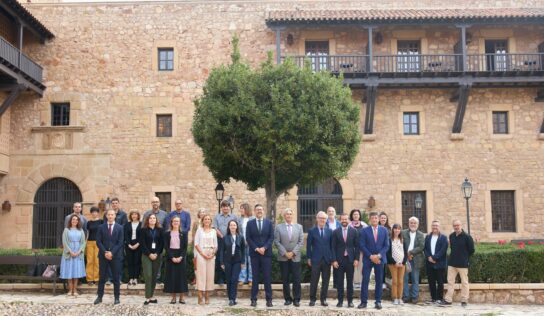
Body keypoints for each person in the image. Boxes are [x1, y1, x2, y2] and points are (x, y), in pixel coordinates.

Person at [358, 211, 389, 310]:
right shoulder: (364, 231)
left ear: (378, 219)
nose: (374, 220)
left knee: (379, 281)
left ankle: (378, 302)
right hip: (368, 259)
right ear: (370, 219)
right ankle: (363, 302)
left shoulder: (384, 230)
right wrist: (371, 256)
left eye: (376, 218)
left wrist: (378, 256)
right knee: (365, 280)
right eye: (373, 218)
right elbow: (362, 245)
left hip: (380, 259)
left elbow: (386, 245)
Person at [245, 204, 274, 307]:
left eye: (261, 209)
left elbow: (271, 237)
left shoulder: (269, 223)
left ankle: (269, 300)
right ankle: (253, 299)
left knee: (267, 277)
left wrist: (264, 248)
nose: (259, 211)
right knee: (255, 277)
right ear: (254, 211)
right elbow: (248, 238)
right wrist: (257, 248)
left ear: (263, 210)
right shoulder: (250, 223)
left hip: (266, 254)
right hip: (255, 254)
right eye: (257, 210)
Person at [274, 208, 303, 307]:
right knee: (285, 279)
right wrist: (285, 253)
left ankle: (296, 299)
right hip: (283, 257)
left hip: (295, 257)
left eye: (290, 214)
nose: (289, 216)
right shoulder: (278, 227)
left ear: (292, 215)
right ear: (284, 216)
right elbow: (277, 241)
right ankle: (287, 299)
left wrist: (293, 252)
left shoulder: (299, 227)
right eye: (287, 214)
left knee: (296, 279)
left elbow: (301, 242)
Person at [94, 209, 124, 305]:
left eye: (112, 214)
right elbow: (98, 241)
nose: (110, 216)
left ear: (115, 216)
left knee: (116, 278)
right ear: (106, 216)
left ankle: (117, 297)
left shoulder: (120, 228)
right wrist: (105, 252)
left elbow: (120, 242)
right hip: (103, 256)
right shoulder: (101, 227)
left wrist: (112, 253)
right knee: (102, 277)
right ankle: (99, 297)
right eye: (109, 214)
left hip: (115, 256)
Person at [443, 219, 475, 307]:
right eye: (454, 225)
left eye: (458, 225)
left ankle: (464, 300)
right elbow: (452, 248)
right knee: (450, 282)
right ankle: (448, 299)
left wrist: (465, 257)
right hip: (452, 263)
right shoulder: (451, 236)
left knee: (464, 282)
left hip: (463, 263)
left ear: (461, 225)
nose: (456, 227)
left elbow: (472, 250)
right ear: (453, 226)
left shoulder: (467, 237)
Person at [332, 213, 359, 308]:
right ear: (340, 220)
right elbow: (333, 247)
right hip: (339, 261)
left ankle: (350, 301)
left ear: (348, 220)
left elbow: (357, 246)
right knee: (339, 282)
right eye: (342, 219)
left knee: (350, 282)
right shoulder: (335, 232)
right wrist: (334, 260)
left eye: (346, 219)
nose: (344, 221)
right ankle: (340, 301)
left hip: (350, 260)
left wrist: (356, 259)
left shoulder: (354, 231)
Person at [307, 211, 333, 307]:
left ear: (326, 220)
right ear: (317, 219)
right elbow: (308, 246)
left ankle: (323, 299)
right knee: (314, 280)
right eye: (320, 218)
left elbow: (332, 246)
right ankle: (312, 299)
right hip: (315, 259)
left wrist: (332, 258)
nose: (322, 220)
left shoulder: (329, 231)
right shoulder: (312, 231)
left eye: (324, 218)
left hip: (327, 259)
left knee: (326, 281)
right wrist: (309, 258)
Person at [140, 213, 164, 305]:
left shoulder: (160, 230)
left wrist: (157, 253)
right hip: (146, 255)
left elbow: (162, 243)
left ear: (156, 220)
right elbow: (142, 244)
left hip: (157, 255)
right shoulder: (143, 230)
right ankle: (147, 297)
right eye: (150, 218)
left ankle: (152, 296)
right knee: (148, 275)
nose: (152, 219)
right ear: (148, 220)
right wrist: (149, 254)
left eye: (154, 218)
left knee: (154, 276)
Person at [163, 216, 189, 304]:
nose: (176, 223)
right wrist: (172, 257)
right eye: (174, 221)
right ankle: (173, 297)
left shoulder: (184, 233)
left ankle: (182, 297)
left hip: (181, 255)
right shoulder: (167, 233)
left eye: (177, 221)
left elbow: (185, 247)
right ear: (171, 222)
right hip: (171, 256)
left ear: (180, 222)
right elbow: (166, 247)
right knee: (172, 277)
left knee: (181, 277)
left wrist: (181, 257)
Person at [219, 220, 245, 306]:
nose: (233, 226)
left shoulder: (240, 237)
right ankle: (230, 298)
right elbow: (222, 251)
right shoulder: (225, 237)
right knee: (229, 280)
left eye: (234, 225)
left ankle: (233, 299)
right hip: (227, 261)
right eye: (231, 225)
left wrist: (243, 262)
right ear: (229, 227)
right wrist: (222, 262)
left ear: (236, 227)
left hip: (237, 261)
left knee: (234, 279)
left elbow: (243, 250)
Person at [61, 214, 86, 297]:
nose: (74, 221)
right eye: (73, 219)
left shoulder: (81, 230)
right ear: (70, 221)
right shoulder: (66, 230)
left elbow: (83, 242)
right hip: (69, 253)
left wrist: (79, 251)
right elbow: (64, 242)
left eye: (76, 220)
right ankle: (70, 289)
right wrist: (70, 251)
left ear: (78, 221)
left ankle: (75, 289)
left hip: (78, 253)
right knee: (69, 271)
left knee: (76, 271)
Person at [194, 213, 218, 305]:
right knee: (201, 275)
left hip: (211, 254)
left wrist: (212, 253)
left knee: (209, 276)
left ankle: (207, 296)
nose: (207, 220)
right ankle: (200, 296)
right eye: (205, 219)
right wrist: (202, 254)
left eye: (209, 219)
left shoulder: (213, 231)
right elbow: (196, 243)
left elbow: (216, 245)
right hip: (201, 253)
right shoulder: (199, 231)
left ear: (211, 221)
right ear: (203, 221)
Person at [423, 220, 448, 305]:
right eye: (433, 225)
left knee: (440, 282)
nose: (435, 227)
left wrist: (434, 258)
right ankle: (433, 298)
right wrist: (429, 257)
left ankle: (439, 298)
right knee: (431, 281)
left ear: (439, 227)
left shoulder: (444, 238)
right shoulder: (427, 237)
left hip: (440, 263)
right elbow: (425, 249)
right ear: (431, 227)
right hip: (429, 263)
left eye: (436, 226)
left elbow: (443, 250)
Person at [401, 216, 425, 304]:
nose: (413, 224)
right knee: (405, 279)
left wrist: (410, 252)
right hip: (405, 259)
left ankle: (415, 297)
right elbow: (400, 244)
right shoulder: (403, 233)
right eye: (411, 223)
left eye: (414, 223)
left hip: (416, 260)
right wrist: (406, 254)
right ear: (409, 224)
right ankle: (406, 296)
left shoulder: (420, 234)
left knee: (415, 279)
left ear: (417, 224)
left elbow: (421, 246)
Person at [213, 200, 237, 285]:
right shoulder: (217, 217)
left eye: (227, 206)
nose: (225, 208)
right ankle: (220, 279)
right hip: (220, 240)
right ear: (221, 208)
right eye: (224, 206)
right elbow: (215, 228)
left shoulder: (234, 217)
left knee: (230, 259)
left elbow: (236, 228)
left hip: (231, 239)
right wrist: (222, 237)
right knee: (220, 259)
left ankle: (228, 278)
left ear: (229, 207)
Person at [387, 223, 408, 305]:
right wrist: (394, 262)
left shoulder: (403, 239)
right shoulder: (389, 240)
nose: (397, 230)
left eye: (399, 229)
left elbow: (406, 253)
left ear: (400, 230)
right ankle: (395, 298)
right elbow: (388, 253)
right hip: (393, 264)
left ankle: (400, 298)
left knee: (400, 281)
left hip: (402, 263)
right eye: (395, 229)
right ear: (393, 230)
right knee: (395, 281)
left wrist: (402, 262)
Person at [349, 209, 367, 288]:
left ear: (359, 216)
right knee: (351, 266)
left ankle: (359, 282)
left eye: (357, 214)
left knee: (360, 265)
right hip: (351, 248)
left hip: (361, 249)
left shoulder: (364, 225)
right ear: (352, 216)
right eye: (354, 214)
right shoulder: (349, 225)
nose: (356, 216)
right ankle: (352, 281)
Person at [85, 206, 103, 285]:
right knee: (89, 261)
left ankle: (96, 279)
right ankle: (89, 279)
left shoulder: (101, 221)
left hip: (98, 243)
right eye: (93, 212)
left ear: (98, 213)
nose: (94, 213)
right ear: (91, 213)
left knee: (97, 261)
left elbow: (103, 232)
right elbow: (87, 233)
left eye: (96, 212)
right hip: (89, 242)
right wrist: (85, 242)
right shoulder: (89, 222)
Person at [237, 203, 254, 286]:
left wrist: (249, 240)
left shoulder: (253, 219)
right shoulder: (239, 219)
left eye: (242, 208)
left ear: (247, 209)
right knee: (242, 261)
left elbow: (254, 232)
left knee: (250, 261)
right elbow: (238, 231)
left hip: (251, 244)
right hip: (241, 243)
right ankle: (242, 278)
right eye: (240, 208)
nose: (241, 210)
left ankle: (251, 279)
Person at [124, 211, 142, 286]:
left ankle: (136, 278)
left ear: (138, 215)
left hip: (138, 245)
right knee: (130, 262)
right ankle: (131, 278)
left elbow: (142, 235)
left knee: (137, 262)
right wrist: (129, 244)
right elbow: (126, 235)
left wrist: (137, 244)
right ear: (130, 216)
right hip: (129, 245)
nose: (134, 216)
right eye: (132, 214)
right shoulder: (127, 224)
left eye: (135, 214)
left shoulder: (141, 224)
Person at [191, 208, 207, 285]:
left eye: (204, 212)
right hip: (197, 245)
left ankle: (203, 279)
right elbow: (193, 234)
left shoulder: (208, 222)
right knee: (196, 262)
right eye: (201, 212)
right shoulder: (196, 223)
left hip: (205, 246)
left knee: (204, 262)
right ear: (199, 214)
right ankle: (196, 278)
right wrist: (194, 243)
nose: (203, 213)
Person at [378, 211, 391, 290]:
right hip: (379, 251)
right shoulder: (376, 228)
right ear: (379, 219)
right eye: (382, 218)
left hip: (388, 251)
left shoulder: (389, 229)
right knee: (380, 268)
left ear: (386, 219)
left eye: (384, 218)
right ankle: (381, 282)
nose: (383, 219)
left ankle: (386, 283)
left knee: (386, 268)